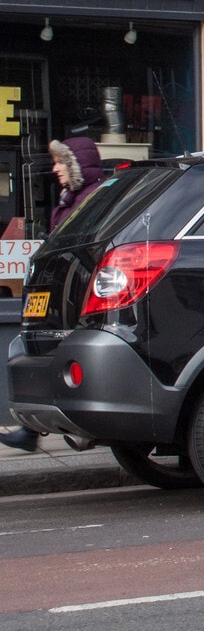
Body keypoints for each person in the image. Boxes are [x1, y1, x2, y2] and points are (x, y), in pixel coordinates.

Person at [1, 137, 107, 452]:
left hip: (71, 296)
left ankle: (56, 428)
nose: (55, 168)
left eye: (62, 162)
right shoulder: (73, 200)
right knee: (38, 356)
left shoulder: (89, 201)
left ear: (77, 166)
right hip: (55, 293)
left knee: (53, 357)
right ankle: (33, 429)